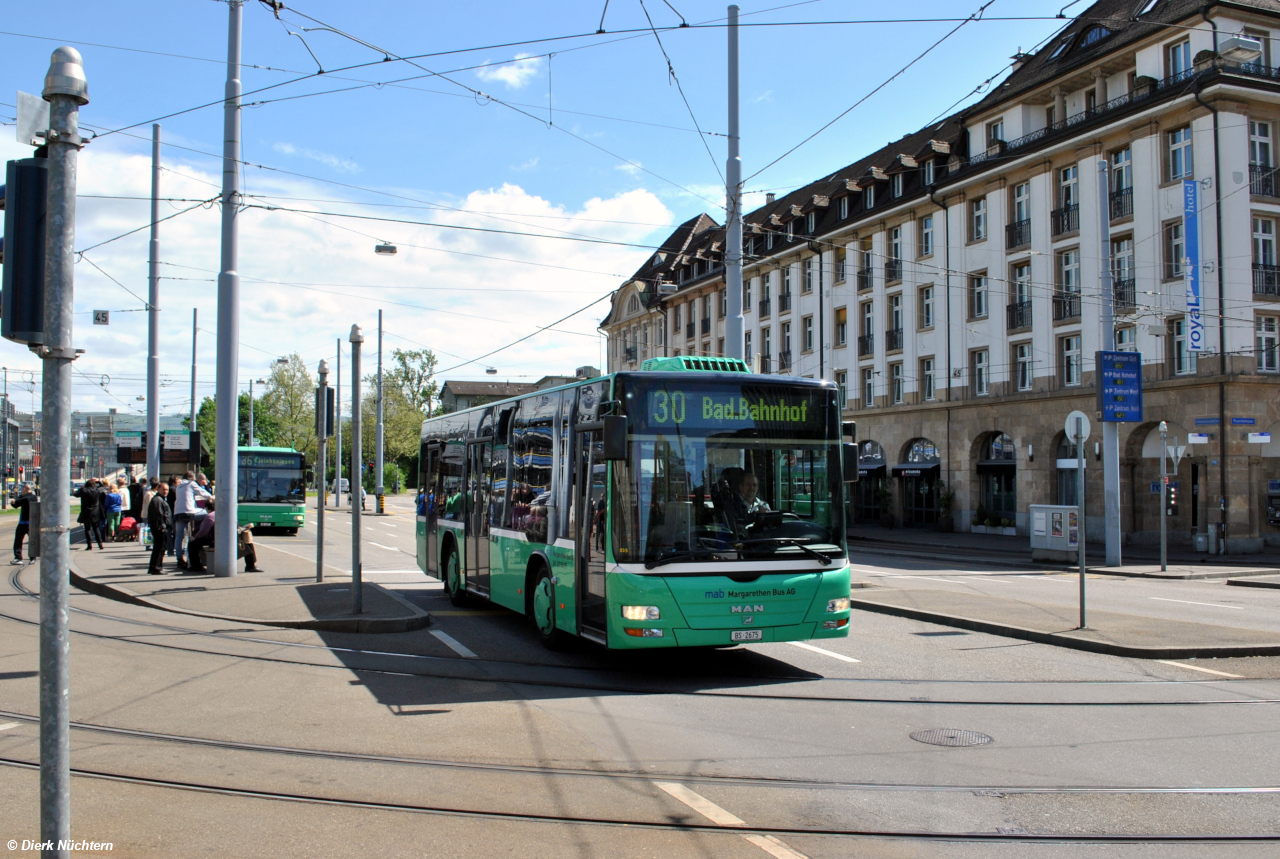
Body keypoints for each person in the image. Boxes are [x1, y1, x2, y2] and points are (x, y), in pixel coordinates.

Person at [171, 470, 211, 569]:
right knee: (208, 514)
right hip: (189, 511)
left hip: (178, 513)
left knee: (179, 536)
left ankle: (179, 558)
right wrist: (212, 497)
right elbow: (203, 493)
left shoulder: (179, 486)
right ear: (192, 478)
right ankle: (200, 530)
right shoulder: (191, 483)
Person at [147, 482, 172, 574]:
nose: (165, 491)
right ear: (158, 489)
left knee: (159, 548)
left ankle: (154, 567)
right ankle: (156, 567)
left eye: (167, 490)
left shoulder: (160, 499)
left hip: (160, 527)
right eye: (163, 489)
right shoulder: (157, 500)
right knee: (160, 548)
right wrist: (162, 526)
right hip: (160, 528)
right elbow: (158, 514)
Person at [74, 478, 105, 551]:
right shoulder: (97, 490)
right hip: (95, 512)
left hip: (86, 511)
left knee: (87, 529)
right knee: (96, 528)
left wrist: (83, 487)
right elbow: (103, 488)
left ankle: (89, 544)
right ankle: (100, 544)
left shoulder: (84, 491)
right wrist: (99, 482)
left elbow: (75, 494)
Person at [186, 499, 216, 572]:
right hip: (217, 538)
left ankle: (196, 566)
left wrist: (195, 538)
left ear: (206, 507)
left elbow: (203, 531)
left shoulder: (209, 516)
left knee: (192, 545)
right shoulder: (218, 513)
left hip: (212, 540)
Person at [12, 484, 33, 563]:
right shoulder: (34, 497)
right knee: (31, 540)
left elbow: (16, 504)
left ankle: (18, 557)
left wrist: (15, 501)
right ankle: (32, 557)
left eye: (22, 489)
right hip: (30, 523)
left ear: (25, 489)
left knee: (19, 540)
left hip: (25, 523)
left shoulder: (26, 499)